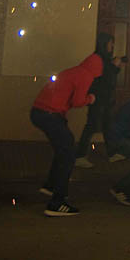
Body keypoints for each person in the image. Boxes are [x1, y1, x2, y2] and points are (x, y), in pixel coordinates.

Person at [30, 52, 103, 216]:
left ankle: (51, 186)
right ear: (98, 68)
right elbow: (77, 102)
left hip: (39, 112)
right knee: (69, 154)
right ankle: (57, 203)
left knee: (64, 147)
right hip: (50, 114)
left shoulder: (73, 71)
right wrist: (90, 99)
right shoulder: (86, 76)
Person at [74, 32, 123, 168]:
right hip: (97, 98)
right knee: (92, 125)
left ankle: (112, 153)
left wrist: (115, 67)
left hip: (104, 98)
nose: (112, 46)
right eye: (110, 43)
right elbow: (103, 78)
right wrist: (114, 66)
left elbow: (109, 75)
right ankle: (80, 155)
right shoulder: (97, 59)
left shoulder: (104, 58)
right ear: (104, 44)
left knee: (107, 125)